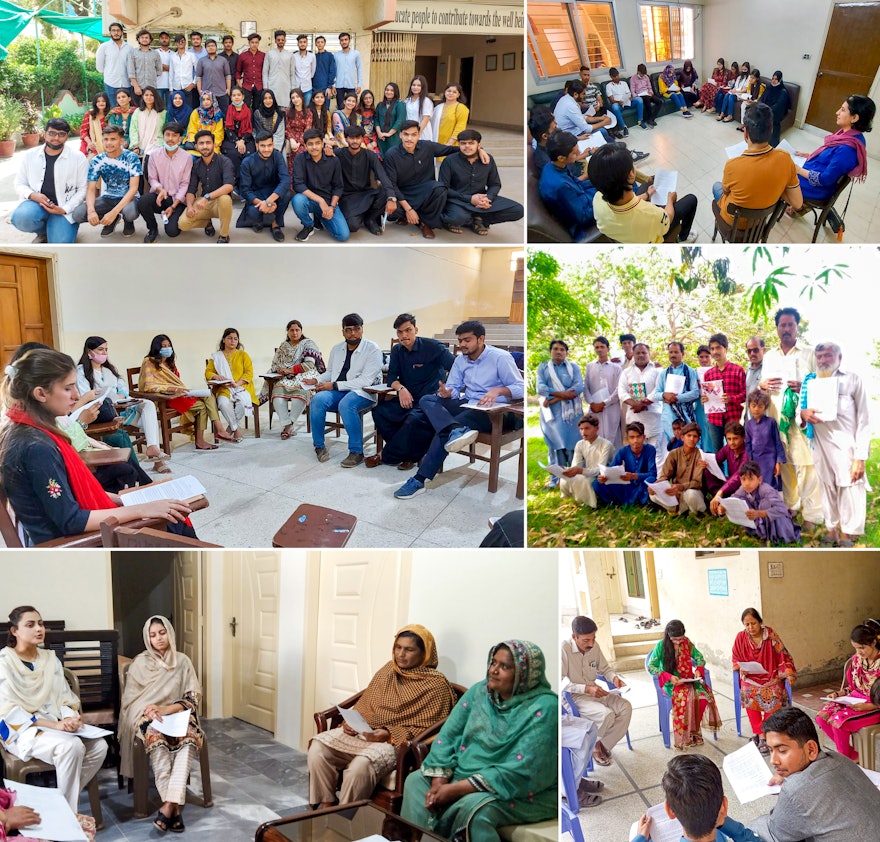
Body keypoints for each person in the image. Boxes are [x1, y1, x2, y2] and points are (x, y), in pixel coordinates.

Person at [0, 350, 192, 544]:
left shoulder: (27, 431)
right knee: (175, 523)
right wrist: (141, 510)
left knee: (170, 511)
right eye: (68, 388)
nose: (76, 396)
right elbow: (71, 520)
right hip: (72, 545)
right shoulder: (35, 447)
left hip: (71, 534)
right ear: (40, 393)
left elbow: (69, 493)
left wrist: (123, 500)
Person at [401, 640, 556, 839]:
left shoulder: (545, 707)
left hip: (519, 790)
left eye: (505, 666)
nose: (494, 670)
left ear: (525, 675)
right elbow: (448, 736)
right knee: (415, 782)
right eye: (493, 663)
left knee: (474, 811)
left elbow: (524, 770)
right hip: (464, 774)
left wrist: (456, 789)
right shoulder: (480, 692)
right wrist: (439, 783)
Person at [309, 625, 456, 807]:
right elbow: (366, 702)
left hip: (394, 742)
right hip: (365, 732)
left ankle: (344, 815)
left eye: (409, 649)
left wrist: (389, 734)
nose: (401, 654)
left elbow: (429, 729)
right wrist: (351, 722)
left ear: (424, 653)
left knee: (360, 767)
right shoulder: (389, 670)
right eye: (398, 647)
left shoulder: (436, 685)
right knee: (317, 748)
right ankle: (326, 806)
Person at [393, 321, 523, 500]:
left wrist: (498, 390)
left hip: (496, 411)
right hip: (470, 403)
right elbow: (454, 387)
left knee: (446, 428)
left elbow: (520, 388)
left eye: (467, 340)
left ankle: (419, 479)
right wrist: (447, 392)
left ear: (481, 339)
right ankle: (455, 429)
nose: (462, 345)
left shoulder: (500, 357)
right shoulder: (461, 359)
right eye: (460, 340)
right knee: (427, 399)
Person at [0, 606, 108, 812]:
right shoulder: (4, 663)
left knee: (99, 747)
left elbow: (64, 698)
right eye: (30, 625)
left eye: (40, 624)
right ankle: (68, 815)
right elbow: (8, 712)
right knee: (72, 747)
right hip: (21, 731)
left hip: (55, 728)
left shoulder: (50, 660)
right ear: (15, 631)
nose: (39, 629)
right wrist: (55, 725)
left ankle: (58, 809)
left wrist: (70, 718)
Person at [118, 615, 203, 833]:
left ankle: (168, 807)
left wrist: (166, 709)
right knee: (157, 740)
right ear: (147, 638)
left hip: (177, 713)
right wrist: (149, 710)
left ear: (170, 633)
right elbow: (130, 701)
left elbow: (192, 698)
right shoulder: (139, 663)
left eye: (162, 633)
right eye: (152, 635)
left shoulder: (182, 661)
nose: (158, 638)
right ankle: (173, 807)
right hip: (150, 717)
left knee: (190, 740)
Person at [748, 707, 880, 840]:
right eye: (770, 750)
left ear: (811, 749)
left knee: (755, 830)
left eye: (782, 750)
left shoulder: (796, 790)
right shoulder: (838, 759)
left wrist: (791, 791)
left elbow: (775, 833)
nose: (773, 761)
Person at [800, 341, 871, 547]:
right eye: (819, 356)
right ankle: (832, 530)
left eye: (827, 356)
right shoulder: (810, 382)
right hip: (819, 444)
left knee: (848, 487)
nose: (822, 360)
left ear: (839, 358)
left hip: (846, 445)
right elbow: (800, 413)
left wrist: (860, 456)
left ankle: (847, 534)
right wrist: (803, 414)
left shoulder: (852, 380)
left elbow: (865, 420)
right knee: (827, 486)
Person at [365, 314, 454, 470]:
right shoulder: (397, 350)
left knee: (413, 420)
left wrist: (448, 388)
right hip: (407, 398)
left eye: (408, 330)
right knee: (379, 412)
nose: (404, 335)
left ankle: (385, 455)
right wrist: (401, 389)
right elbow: (391, 377)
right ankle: (410, 455)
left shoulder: (433, 347)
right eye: (400, 332)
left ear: (416, 330)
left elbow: (456, 368)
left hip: (430, 401)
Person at [759, 308, 821, 529]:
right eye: (782, 325)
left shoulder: (810, 353)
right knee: (784, 465)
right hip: (777, 420)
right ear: (777, 328)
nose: (786, 329)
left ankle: (812, 516)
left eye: (790, 325)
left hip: (801, 421)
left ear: (797, 327)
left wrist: (805, 385)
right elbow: (763, 387)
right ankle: (791, 507)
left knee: (807, 465)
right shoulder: (769, 356)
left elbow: (821, 383)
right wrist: (762, 384)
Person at [76, 335, 169, 473]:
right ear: (89, 352)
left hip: (122, 404)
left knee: (148, 404)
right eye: (100, 349)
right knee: (148, 421)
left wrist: (121, 395)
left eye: (106, 349)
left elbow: (122, 387)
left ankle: (152, 449)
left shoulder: (108, 370)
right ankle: (156, 458)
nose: (104, 353)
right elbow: (87, 395)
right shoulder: (81, 372)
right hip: (103, 411)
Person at [711, 102, 803, 233]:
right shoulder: (785, 159)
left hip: (734, 224)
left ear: (746, 133)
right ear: (770, 130)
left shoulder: (733, 165)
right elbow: (798, 203)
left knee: (716, 186)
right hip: (760, 222)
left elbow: (726, 192)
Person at [305, 313, 382, 467]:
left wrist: (334, 385)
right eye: (348, 330)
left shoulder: (372, 348)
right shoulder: (337, 348)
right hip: (339, 391)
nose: (352, 333)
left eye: (356, 329)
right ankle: (319, 446)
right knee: (318, 400)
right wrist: (316, 380)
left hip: (364, 392)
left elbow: (365, 380)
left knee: (347, 404)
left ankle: (356, 451)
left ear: (362, 329)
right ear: (343, 331)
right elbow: (330, 372)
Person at [634, 755, 763, 842]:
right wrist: (722, 819)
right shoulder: (720, 837)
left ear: (669, 810)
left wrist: (639, 838)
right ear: (723, 806)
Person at [560, 614, 632, 770]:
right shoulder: (564, 649)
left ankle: (601, 745)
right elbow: (560, 682)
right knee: (607, 715)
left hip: (595, 691)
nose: (591, 643)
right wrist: (585, 688)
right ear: (574, 636)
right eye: (586, 640)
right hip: (575, 697)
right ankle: (595, 747)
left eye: (593, 638)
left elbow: (605, 668)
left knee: (625, 707)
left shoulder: (594, 646)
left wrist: (614, 679)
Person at [589, 143, 698, 243]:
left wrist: (647, 194)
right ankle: (682, 238)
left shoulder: (597, 199)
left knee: (647, 186)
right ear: (631, 175)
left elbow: (626, 205)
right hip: (650, 238)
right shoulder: (650, 214)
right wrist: (670, 200)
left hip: (624, 236)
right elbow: (667, 217)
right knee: (691, 199)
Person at [382, 121, 473, 239]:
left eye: (414, 134)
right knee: (389, 211)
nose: (409, 138)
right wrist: (408, 209)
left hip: (426, 191)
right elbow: (392, 185)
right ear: (400, 135)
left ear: (419, 135)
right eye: (406, 134)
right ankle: (405, 215)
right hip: (403, 193)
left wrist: (478, 150)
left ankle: (425, 223)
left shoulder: (427, 146)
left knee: (440, 189)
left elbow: (450, 150)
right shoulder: (391, 154)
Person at [138, 334, 229, 450]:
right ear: (157, 348)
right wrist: (174, 389)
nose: (167, 348)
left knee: (209, 395)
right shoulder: (149, 362)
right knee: (202, 407)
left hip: (180, 394)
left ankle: (218, 429)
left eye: (169, 345)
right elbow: (148, 385)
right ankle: (204, 439)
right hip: (165, 398)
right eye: (163, 346)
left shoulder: (170, 362)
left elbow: (176, 381)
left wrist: (181, 389)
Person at [731, 608, 796, 755]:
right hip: (751, 678)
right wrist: (741, 668)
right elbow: (735, 658)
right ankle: (761, 736)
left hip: (771, 678)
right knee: (748, 694)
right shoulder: (740, 637)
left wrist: (789, 673)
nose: (750, 627)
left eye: (753, 623)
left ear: (760, 622)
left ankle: (765, 733)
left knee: (774, 695)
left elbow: (783, 656)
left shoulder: (771, 635)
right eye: (746, 624)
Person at [11, 118, 87, 244]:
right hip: (37, 204)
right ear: (44, 134)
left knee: (60, 245)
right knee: (21, 219)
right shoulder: (30, 155)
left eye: (61, 134)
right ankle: (44, 231)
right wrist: (33, 195)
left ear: (67, 137)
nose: (56, 138)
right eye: (52, 133)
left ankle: (58, 227)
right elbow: (19, 183)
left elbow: (83, 189)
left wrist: (65, 209)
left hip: (63, 207)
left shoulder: (78, 158)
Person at [647, 620, 721, 749]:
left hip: (688, 680)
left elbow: (700, 658)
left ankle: (694, 730)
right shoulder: (661, 646)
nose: (678, 643)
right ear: (668, 636)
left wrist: (699, 669)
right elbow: (651, 666)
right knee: (686, 699)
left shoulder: (687, 643)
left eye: (680, 639)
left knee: (704, 697)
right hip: (672, 684)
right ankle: (686, 735)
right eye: (675, 640)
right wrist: (669, 677)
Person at [815, 621, 880, 761]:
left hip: (875, 705)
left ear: (874, 643)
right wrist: (838, 694)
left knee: (839, 723)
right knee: (821, 718)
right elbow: (853, 687)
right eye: (856, 648)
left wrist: (868, 706)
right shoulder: (856, 660)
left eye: (862, 648)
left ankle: (845, 760)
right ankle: (852, 755)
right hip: (855, 699)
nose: (858, 652)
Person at [438, 128, 523, 235]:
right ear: (459, 144)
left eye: (471, 143)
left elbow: (495, 184)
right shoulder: (449, 161)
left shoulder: (488, 159)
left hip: (481, 198)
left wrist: (488, 198)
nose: (467, 146)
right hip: (458, 200)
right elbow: (443, 187)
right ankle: (468, 219)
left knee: (518, 210)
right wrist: (470, 199)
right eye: (463, 143)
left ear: (479, 145)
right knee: (457, 218)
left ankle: (480, 219)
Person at [792, 95, 875, 203]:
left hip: (817, 188)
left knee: (776, 172)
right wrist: (808, 155)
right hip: (815, 173)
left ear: (854, 118)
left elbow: (824, 179)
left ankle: (772, 206)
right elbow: (830, 158)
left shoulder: (847, 149)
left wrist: (798, 170)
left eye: (843, 110)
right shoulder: (850, 136)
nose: (837, 112)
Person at [72, 124, 140, 238]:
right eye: (105, 139)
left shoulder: (131, 157)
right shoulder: (97, 160)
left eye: (113, 139)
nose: (108, 143)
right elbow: (91, 189)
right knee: (78, 214)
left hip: (129, 197)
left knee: (130, 213)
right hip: (108, 197)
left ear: (121, 140)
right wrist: (91, 210)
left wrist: (113, 212)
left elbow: (134, 188)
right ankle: (110, 220)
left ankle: (127, 222)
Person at [265, 320, 325, 440]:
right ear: (287, 332)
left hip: (305, 376)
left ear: (301, 331)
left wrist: (290, 370)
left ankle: (289, 425)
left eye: (297, 330)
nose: (294, 332)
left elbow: (309, 364)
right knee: (276, 396)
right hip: (286, 378)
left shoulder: (308, 344)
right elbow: (275, 364)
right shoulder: (283, 346)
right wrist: (280, 370)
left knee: (301, 395)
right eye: (291, 330)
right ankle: (288, 425)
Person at [536, 339, 583, 488]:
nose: (559, 352)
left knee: (573, 445)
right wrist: (562, 395)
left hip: (572, 414)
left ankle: (573, 477)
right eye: (555, 349)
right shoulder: (543, 368)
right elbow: (541, 388)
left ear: (566, 353)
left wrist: (553, 398)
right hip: (552, 415)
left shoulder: (573, 367)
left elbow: (578, 386)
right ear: (550, 351)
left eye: (562, 349)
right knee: (555, 445)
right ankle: (556, 480)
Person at [721, 461, 801, 544]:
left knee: (764, 504)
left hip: (779, 525)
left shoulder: (766, 490)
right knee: (740, 501)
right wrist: (723, 507)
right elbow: (733, 498)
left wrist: (759, 513)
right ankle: (762, 533)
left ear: (759, 480)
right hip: (761, 523)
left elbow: (782, 509)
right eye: (743, 479)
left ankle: (775, 538)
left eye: (751, 479)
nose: (747, 483)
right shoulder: (743, 489)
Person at [537, 131, 597, 240]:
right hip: (582, 222)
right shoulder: (560, 186)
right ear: (561, 158)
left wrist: (601, 182)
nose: (579, 153)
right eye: (574, 153)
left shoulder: (553, 166)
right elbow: (583, 217)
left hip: (585, 200)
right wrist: (608, 201)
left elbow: (577, 184)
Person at [137, 121, 191, 242]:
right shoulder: (154, 155)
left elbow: (185, 184)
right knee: (143, 202)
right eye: (167, 135)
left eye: (174, 135)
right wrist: (160, 189)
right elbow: (152, 179)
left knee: (172, 232)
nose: (170, 139)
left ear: (180, 138)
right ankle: (152, 229)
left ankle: (176, 215)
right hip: (161, 196)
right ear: (163, 136)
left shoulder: (187, 157)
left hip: (177, 200)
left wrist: (173, 206)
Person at [292, 128, 349, 242]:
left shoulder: (333, 160)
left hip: (328, 202)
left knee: (343, 236)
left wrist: (331, 207)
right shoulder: (300, 159)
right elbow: (298, 184)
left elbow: (338, 186)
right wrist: (320, 201)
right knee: (297, 200)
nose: (314, 147)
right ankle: (308, 225)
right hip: (308, 199)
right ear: (305, 145)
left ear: (323, 143)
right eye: (310, 144)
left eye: (318, 143)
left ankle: (320, 216)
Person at [178, 129, 235, 243]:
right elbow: (191, 189)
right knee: (183, 224)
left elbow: (229, 186)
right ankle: (207, 222)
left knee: (225, 199)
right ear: (196, 146)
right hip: (204, 204)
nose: (205, 146)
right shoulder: (196, 165)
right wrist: (189, 206)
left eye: (208, 143)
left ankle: (224, 235)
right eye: (201, 143)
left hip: (220, 204)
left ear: (214, 144)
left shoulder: (225, 161)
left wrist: (207, 197)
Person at [336, 125, 394, 236]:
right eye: (351, 138)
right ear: (346, 138)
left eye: (358, 138)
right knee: (352, 226)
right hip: (347, 197)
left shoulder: (370, 155)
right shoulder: (338, 154)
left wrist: (391, 197)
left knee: (385, 193)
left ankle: (370, 219)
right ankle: (361, 215)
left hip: (366, 194)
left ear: (362, 138)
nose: (355, 141)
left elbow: (383, 176)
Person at [205, 328, 257, 441]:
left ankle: (229, 430)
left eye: (235, 339)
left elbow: (249, 373)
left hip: (242, 387)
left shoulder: (243, 355)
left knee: (242, 403)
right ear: (223, 340)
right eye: (229, 338)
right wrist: (216, 376)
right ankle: (236, 429)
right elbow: (208, 372)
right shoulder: (217, 356)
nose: (232, 341)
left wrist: (237, 383)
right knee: (223, 404)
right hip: (224, 388)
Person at [236, 132, 291, 241]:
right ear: (257, 146)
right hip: (256, 195)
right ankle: (258, 221)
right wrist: (262, 203)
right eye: (263, 146)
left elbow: (285, 180)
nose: (266, 149)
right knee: (253, 212)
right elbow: (245, 190)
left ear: (273, 145)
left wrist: (269, 201)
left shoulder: (278, 157)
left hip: (273, 192)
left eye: (269, 145)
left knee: (286, 194)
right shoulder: (247, 162)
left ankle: (275, 224)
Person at [617, 342, 662, 471]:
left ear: (649, 354)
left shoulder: (657, 371)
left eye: (644, 352)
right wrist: (634, 404)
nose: (641, 355)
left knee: (656, 453)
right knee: (636, 452)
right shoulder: (626, 372)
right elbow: (621, 391)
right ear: (633, 354)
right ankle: (637, 481)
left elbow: (658, 389)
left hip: (653, 417)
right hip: (634, 417)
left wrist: (644, 403)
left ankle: (655, 484)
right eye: (638, 353)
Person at [701, 333, 747, 453]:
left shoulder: (738, 370)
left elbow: (745, 394)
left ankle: (736, 472)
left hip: (733, 418)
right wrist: (704, 399)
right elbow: (706, 396)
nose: (715, 351)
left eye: (718, 347)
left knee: (736, 451)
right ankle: (720, 473)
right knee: (718, 453)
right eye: (712, 348)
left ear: (725, 349)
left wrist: (732, 398)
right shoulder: (708, 374)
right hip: (714, 419)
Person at [593, 421, 657, 506]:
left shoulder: (650, 449)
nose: (635, 441)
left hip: (642, 484)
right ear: (627, 439)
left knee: (651, 480)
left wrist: (634, 476)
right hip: (627, 485)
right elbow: (611, 469)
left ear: (644, 437)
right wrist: (605, 477)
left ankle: (641, 501)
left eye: (638, 437)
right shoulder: (623, 451)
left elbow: (653, 473)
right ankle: (614, 502)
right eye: (632, 437)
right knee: (597, 483)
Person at [558, 414, 614, 507]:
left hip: (603, 477)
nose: (583, 432)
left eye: (587, 428)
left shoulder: (606, 444)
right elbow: (576, 465)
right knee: (566, 477)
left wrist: (580, 471)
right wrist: (563, 469)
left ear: (596, 428)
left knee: (585, 481)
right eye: (581, 429)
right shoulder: (580, 444)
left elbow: (601, 470)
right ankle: (572, 499)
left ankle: (592, 503)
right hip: (587, 472)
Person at [651, 422, 706, 515]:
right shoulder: (673, 454)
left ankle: (691, 512)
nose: (692, 439)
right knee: (653, 494)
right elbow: (664, 476)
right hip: (676, 494)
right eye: (689, 435)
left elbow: (697, 483)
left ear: (698, 439)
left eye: (695, 436)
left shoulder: (701, 456)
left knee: (691, 495)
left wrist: (681, 486)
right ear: (682, 437)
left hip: (692, 492)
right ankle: (680, 510)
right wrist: (656, 486)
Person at [655, 341, 700, 447]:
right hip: (669, 416)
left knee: (690, 445)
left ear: (682, 354)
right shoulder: (663, 373)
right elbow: (656, 394)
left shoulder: (690, 371)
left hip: (686, 414)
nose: (673, 355)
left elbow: (695, 393)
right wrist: (664, 395)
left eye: (676, 352)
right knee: (673, 447)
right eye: (671, 352)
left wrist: (677, 398)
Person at [584, 336, 621, 449]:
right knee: (596, 434)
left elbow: (619, 388)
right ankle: (596, 465)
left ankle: (613, 465)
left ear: (608, 349)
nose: (599, 349)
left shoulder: (616, 367)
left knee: (612, 435)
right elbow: (585, 387)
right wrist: (591, 403)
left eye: (602, 347)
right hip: (594, 408)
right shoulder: (590, 366)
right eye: (597, 347)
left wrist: (605, 403)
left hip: (611, 407)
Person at [745, 389, 784, 491]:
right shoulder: (748, 424)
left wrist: (778, 462)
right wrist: (750, 462)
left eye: (760, 406)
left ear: (765, 407)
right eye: (753, 406)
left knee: (771, 486)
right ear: (749, 406)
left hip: (770, 460)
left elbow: (777, 443)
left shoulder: (771, 422)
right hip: (756, 461)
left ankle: (772, 506)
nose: (756, 409)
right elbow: (748, 445)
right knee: (757, 486)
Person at [707, 421, 748, 506]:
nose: (732, 442)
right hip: (729, 483)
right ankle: (718, 498)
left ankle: (722, 497)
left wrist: (721, 491)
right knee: (707, 470)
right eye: (729, 439)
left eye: (735, 438)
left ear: (743, 437)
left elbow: (739, 475)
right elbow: (716, 459)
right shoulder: (728, 448)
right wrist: (706, 462)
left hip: (743, 485)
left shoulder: (747, 452)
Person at [222, 86, 255, 185]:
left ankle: (247, 182)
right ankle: (237, 182)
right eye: (234, 95)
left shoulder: (249, 111)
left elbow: (250, 129)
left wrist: (242, 140)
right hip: (231, 139)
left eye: (239, 95)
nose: (236, 97)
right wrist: (237, 141)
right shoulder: (228, 110)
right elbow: (228, 129)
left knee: (248, 154)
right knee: (234, 154)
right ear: (231, 97)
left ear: (243, 97)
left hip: (246, 138)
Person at [96, 21, 133, 103]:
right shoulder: (104, 47)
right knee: (113, 109)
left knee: (127, 108)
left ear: (122, 32)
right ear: (110, 32)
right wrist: (109, 74)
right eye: (113, 30)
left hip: (126, 83)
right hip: (111, 83)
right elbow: (99, 67)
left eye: (118, 30)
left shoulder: (129, 48)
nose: (116, 33)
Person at [128, 86, 165, 164]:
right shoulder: (137, 111)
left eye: (151, 95)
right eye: (146, 95)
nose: (149, 97)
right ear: (143, 97)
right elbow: (133, 129)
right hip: (140, 145)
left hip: (157, 143)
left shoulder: (163, 112)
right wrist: (135, 146)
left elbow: (164, 130)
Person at [127, 29, 162, 106]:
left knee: (151, 108)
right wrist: (136, 87)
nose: (144, 39)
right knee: (137, 110)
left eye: (146, 37)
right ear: (138, 39)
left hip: (151, 88)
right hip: (137, 88)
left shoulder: (155, 53)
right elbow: (131, 71)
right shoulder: (133, 52)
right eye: (142, 37)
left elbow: (159, 70)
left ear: (150, 40)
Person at [262, 30, 294, 112]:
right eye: (278, 40)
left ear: (285, 41)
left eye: (282, 40)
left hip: (286, 87)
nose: (280, 41)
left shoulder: (290, 55)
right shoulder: (269, 54)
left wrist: (293, 89)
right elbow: (265, 72)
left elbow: (292, 74)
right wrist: (265, 87)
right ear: (275, 41)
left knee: (285, 110)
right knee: (272, 109)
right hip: (272, 86)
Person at [196, 39, 232, 112]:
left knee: (223, 115)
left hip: (221, 93)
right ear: (206, 48)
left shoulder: (223, 60)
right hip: (207, 94)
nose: (211, 47)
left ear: (216, 47)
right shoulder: (201, 61)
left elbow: (227, 75)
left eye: (212, 45)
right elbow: (198, 77)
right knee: (208, 116)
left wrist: (228, 89)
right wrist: (200, 90)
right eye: (208, 46)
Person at [284, 88, 312, 176]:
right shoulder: (287, 112)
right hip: (290, 137)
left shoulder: (308, 112)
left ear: (302, 97)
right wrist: (292, 140)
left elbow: (307, 129)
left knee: (301, 152)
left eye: (297, 96)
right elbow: (287, 127)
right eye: (293, 98)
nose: (295, 99)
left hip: (303, 138)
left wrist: (299, 143)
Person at [759, 71, 791, 147]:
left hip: (776, 112)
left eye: (776, 79)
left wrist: (767, 110)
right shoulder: (769, 87)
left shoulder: (783, 92)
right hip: (766, 108)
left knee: (772, 121)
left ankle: (772, 143)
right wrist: (760, 105)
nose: (773, 81)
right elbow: (762, 97)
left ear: (780, 80)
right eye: (772, 78)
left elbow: (779, 105)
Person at [604, 67, 640, 135]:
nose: (616, 77)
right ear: (611, 77)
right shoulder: (608, 86)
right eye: (614, 76)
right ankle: (624, 127)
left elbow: (629, 94)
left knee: (639, 99)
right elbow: (612, 100)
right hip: (619, 104)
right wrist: (619, 102)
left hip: (627, 102)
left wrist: (630, 97)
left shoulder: (624, 83)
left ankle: (640, 121)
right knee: (614, 106)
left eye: (617, 75)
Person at [235, 33, 264, 112]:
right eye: (252, 42)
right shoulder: (242, 56)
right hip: (246, 86)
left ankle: (256, 124)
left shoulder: (263, 55)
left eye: (256, 42)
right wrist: (239, 83)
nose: (254, 44)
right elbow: (238, 71)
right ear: (249, 43)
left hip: (259, 85)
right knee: (245, 107)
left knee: (257, 108)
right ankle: (247, 124)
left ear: (258, 43)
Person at [375, 82, 406, 157]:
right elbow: (376, 120)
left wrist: (388, 134)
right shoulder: (380, 105)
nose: (389, 92)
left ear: (395, 92)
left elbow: (400, 121)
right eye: (387, 90)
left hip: (394, 138)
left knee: (392, 158)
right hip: (381, 138)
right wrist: (379, 133)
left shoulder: (400, 104)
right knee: (381, 158)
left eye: (392, 90)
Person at [629, 63, 663, 128]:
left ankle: (651, 119)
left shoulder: (646, 77)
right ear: (638, 72)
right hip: (639, 96)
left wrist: (651, 92)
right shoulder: (633, 78)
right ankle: (650, 120)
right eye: (641, 74)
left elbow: (649, 87)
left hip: (647, 93)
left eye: (644, 74)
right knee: (647, 100)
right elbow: (632, 91)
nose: (642, 76)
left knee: (660, 102)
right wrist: (636, 96)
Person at [168, 35, 198, 109]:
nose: (180, 43)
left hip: (188, 87)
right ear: (175, 44)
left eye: (182, 41)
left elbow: (198, 71)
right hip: (176, 87)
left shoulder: (191, 56)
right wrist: (171, 89)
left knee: (188, 108)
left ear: (185, 43)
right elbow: (171, 73)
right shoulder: (173, 57)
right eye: (178, 41)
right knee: (176, 108)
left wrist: (193, 83)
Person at [334, 32, 362, 109]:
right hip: (339, 85)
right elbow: (334, 71)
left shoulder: (356, 54)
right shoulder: (336, 55)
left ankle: (351, 121)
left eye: (346, 39)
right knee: (340, 107)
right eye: (342, 40)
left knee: (352, 107)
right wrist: (333, 85)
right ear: (340, 42)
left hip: (351, 85)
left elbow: (359, 69)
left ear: (349, 40)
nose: (344, 42)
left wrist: (359, 85)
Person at [79, 92, 111, 158]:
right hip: (90, 142)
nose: (101, 103)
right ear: (95, 103)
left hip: (107, 142)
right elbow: (83, 131)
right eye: (98, 101)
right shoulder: (90, 114)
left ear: (107, 102)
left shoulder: (110, 115)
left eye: (103, 101)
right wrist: (90, 143)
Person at [743, 336, 765, 417]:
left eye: (755, 350)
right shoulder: (747, 370)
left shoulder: (769, 369)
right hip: (749, 419)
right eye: (749, 351)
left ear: (763, 350)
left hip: (763, 420)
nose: (752, 353)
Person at [291, 34, 315, 105]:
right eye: (300, 42)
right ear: (298, 44)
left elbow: (312, 72)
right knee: (296, 107)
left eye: (304, 42)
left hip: (307, 87)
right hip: (296, 87)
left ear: (307, 43)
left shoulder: (312, 56)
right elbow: (292, 71)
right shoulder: (293, 56)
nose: (302, 44)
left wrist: (306, 78)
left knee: (306, 108)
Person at [311, 36, 335, 104]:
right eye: (318, 42)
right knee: (314, 108)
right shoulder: (313, 56)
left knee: (325, 108)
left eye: (322, 42)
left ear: (324, 43)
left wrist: (329, 86)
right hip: (314, 87)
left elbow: (332, 71)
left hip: (326, 87)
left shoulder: (329, 56)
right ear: (315, 44)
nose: (320, 44)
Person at [356, 89, 379, 154]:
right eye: (366, 98)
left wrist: (375, 141)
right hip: (362, 140)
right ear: (362, 100)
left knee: (378, 157)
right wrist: (367, 142)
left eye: (370, 98)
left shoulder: (375, 111)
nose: (368, 100)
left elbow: (375, 128)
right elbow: (358, 129)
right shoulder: (358, 112)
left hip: (373, 139)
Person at [154, 31, 172, 104]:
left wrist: (161, 66)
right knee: (158, 107)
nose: (164, 40)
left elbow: (176, 69)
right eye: (162, 38)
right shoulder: (154, 52)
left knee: (170, 107)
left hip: (170, 85)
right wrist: (169, 68)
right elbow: (153, 67)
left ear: (169, 40)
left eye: (166, 38)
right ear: (159, 40)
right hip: (158, 85)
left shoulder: (174, 54)